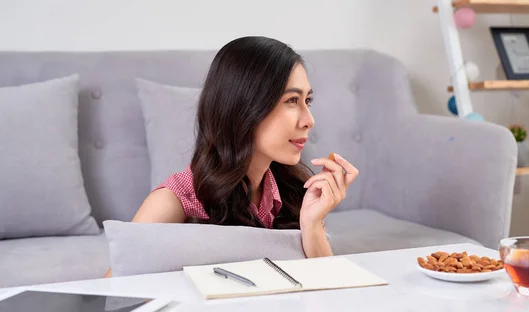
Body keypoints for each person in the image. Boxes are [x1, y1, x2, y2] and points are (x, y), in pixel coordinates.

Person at [104, 36, 358, 278]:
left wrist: (312, 225)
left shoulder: (293, 191)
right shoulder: (175, 200)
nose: (309, 121)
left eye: (308, 100)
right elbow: (111, 293)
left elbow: (330, 291)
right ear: (245, 106)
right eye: (292, 100)